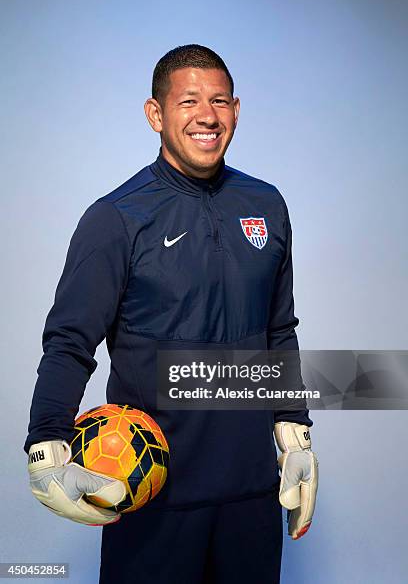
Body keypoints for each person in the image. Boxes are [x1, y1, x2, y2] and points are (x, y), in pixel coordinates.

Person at [25, 44, 318, 584]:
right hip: (151, 492)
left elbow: (279, 330)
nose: (208, 115)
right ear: (155, 115)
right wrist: (45, 443)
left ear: (236, 110)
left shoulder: (268, 205)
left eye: (221, 101)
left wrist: (294, 430)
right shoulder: (116, 218)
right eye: (188, 101)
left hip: (251, 495)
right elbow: (69, 340)